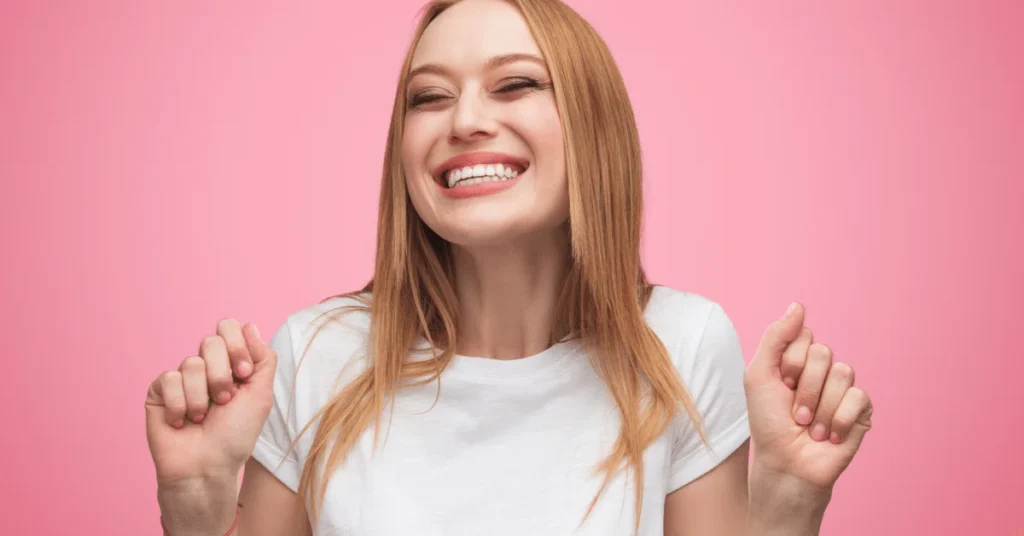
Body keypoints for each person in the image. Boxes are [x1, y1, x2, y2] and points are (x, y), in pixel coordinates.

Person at [144, 0, 874, 534]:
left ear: (593, 125)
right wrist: (193, 500)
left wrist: (787, 501)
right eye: (429, 97)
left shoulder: (681, 344)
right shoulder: (316, 353)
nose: (463, 121)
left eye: (516, 84)